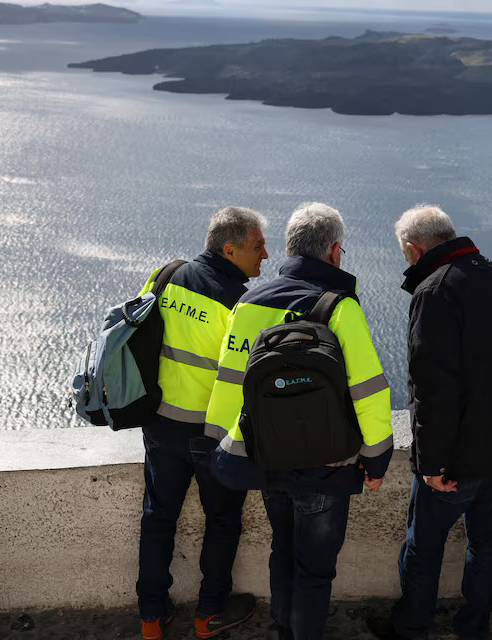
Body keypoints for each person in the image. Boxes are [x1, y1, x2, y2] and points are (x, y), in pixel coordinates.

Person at [204, 202, 393, 640]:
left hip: (267, 459)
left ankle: (281, 632)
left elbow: (230, 383)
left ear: (290, 249)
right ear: (333, 252)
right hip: (326, 465)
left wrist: (217, 447)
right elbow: (367, 388)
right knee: (314, 570)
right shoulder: (338, 306)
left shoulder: (248, 303)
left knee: (281, 552)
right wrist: (377, 459)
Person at [366, 206, 492, 640]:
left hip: (454, 458)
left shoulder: (434, 291)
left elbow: (432, 388)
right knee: (486, 545)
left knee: (423, 548)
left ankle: (412, 628)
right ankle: (472, 628)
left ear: (413, 249)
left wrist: (432, 463)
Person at [136, 206, 268, 640]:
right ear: (229, 250)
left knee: (158, 519)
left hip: (158, 424)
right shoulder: (241, 303)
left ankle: (152, 619)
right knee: (223, 521)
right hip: (210, 435)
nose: (264, 255)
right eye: (257, 246)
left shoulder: (165, 275)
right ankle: (209, 614)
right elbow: (248, 376)